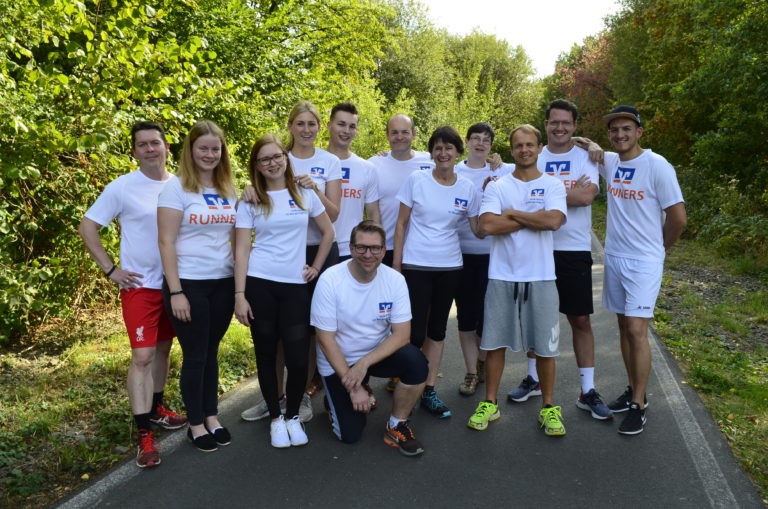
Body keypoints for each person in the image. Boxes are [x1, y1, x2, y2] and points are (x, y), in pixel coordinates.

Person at [79, 121, 186, 469]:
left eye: (156, 143)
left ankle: (156, 410)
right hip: (140, 287)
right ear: (134, 151)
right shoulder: (122, 187)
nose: (150, 149)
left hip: (176, 285)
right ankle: (144, 436)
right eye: (143, 145)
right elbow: (88, 226)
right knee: (141, 357)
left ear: (168, 147)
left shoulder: (183, 185)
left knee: (163, 350)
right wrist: (111, 270)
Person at [506, 99, 611, 420]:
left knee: (580, 320)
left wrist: (545, 192)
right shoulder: (536, 153)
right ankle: (534, 379)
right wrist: (560, 191)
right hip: (536, 248)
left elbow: (585, 196)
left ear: (574, 126)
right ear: (547, 124)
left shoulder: (585, 156)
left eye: (566, 122)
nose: (560, 127)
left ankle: (588, 389)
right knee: (536, 320)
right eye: (554, 122)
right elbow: (520, 193)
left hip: (574, 249)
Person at [239, 101, 342, 423]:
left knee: (300, 350)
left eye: (276, 157)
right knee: (268, 352)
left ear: (285, 159)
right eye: (265, 158)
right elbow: (241, 249)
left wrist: (316, 266)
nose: (272, 162)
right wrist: (239, 295)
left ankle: (295, 411)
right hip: (260, 282)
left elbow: (329, 231)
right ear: (256, 164)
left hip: (297, 280)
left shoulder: (303, 191)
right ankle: (274, 412)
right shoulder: (252, 197)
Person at [466, 124, 568, 437]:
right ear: (512, 150)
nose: (524, 150)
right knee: (494, 344)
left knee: (545, 348)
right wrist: (530, 218)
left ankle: (548, 408)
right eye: (518, 145)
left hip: (541, 277)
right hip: (502, 275)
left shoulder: (553, 184)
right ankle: (490, 403)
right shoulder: (498, 186)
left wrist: (511, 214)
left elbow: (553, 221)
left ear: (539, 148)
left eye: (529, 145)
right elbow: (487, 226)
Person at [599, 105, 686, 434]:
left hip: (644, 262)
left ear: (639, 132)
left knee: (637, 330)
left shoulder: (657, 165)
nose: (619, 134)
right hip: (616, 257)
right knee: (623, 328)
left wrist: (659, 249)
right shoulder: (610, 162)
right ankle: (633, 388)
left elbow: (678, 219)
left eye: (626, 129)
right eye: (613, 130)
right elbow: (590, 150)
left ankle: (639, 403)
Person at [311, 220, 428, 456]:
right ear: (352, 249)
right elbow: (325, 339)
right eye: (362, 247)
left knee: (416, 361)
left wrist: (364, 364)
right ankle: (340, 398)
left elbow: (402, 335)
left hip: (374, 356)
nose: (368, 254)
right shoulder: (330, 280)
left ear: (384, 250)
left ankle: (397, 424)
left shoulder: (395, 280)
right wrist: (352, 385)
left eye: (375, 248)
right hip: (339, 361)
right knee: (350, 435)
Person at [157, 120, 237, 452]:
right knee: (195, 355)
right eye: (203, 148)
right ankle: (195, 424)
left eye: (215, 148)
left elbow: (236, 239)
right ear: (190, 151)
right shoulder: (175, 189)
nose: (209, 154)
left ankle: (212, 416)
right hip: (188, 284)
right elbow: (165, 242)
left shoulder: (228, 189)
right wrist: (176, 291)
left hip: (223, 283)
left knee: (211, 351)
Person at [393, 126, 482, 419]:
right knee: (414, 332)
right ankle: (408, 382)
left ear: (458, 152)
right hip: (416, 266)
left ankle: (429, 390)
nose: (443, 153)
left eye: (449, 148)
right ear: (431, 152)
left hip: (450, 267)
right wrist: (396, 267)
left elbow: (478, 229)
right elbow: (401, 225)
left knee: (437, 331)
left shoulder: (467, 187)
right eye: (437, 148)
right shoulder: (416, 180)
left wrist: (514, 217)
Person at [454, 122, 514, 396]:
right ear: (466, 142)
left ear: (492, 145)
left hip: (493, 256)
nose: (480, 143)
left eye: (486, 140)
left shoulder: (503, 170)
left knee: (486, 319)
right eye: (475, 138)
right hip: (460, 255)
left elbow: (538, 165)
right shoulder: (453, 170)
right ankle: (469, 372)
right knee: (466, 318)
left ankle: (479, 363)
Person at [369, 114, 434, 268]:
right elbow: (372, 211)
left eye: (405, 132)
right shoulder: (374, 164)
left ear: (414, 134)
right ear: (387, 135)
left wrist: (492, 162)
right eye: (394, 132)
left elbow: (458, 175)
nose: (400, 137)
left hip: (421, 248)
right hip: (386, 247)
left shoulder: (430, 162)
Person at [325, 102, 381, 262]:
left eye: (352, 126)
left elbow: (372, 213)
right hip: (314, 248)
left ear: (356, 130)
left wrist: (375, 249)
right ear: (329, 125)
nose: (346, 131)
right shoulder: (314, 162)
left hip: (352, 251)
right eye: (341, 124)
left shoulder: (367, 168)